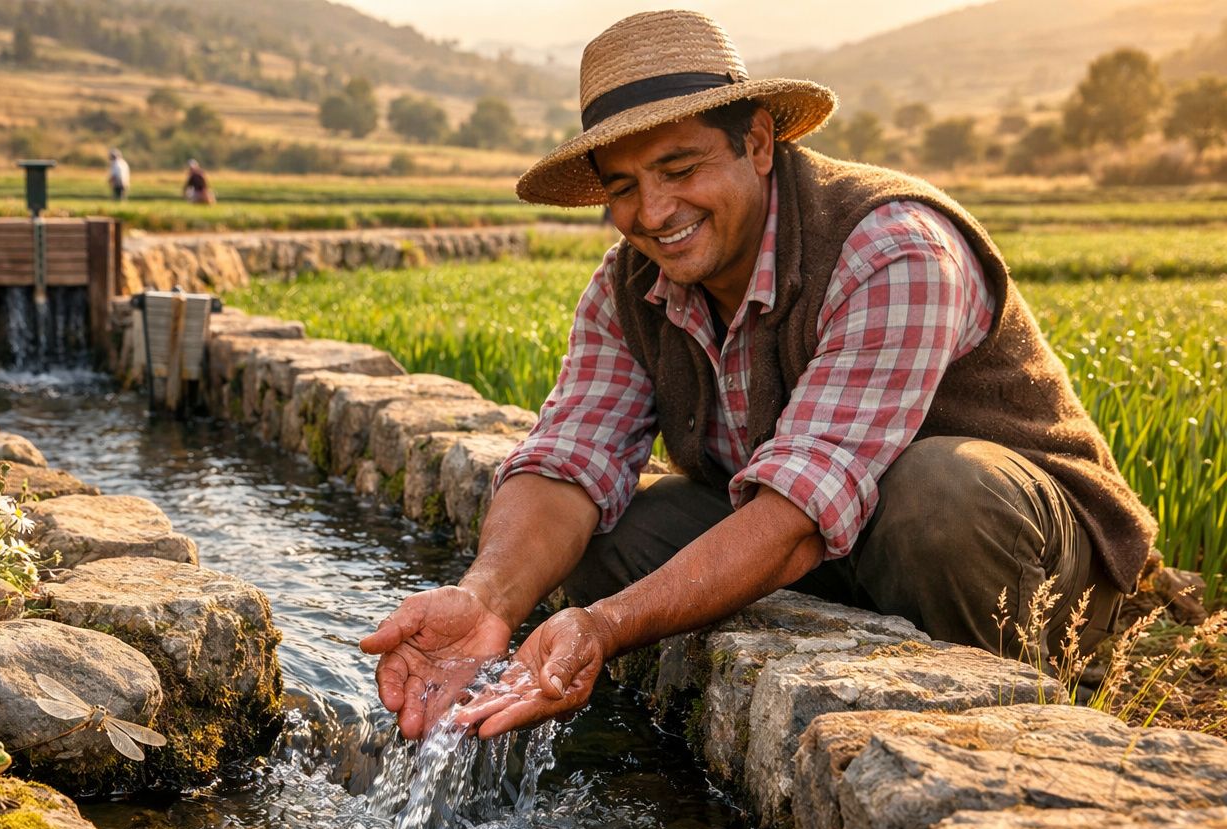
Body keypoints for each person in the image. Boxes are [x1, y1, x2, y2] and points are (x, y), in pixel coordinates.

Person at [360, 10, 1156, 743]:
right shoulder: (627, 286)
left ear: (761, 143)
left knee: (938, 492)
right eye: (624, 188)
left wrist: (603, 627)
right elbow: (569, 454)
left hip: (1012, 552)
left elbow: (807, 498)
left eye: (679, 167)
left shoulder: (890, 245)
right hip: (831, 531)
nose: (655, 210)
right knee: (608, 539)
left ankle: (1027, 697)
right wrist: (489, 599)